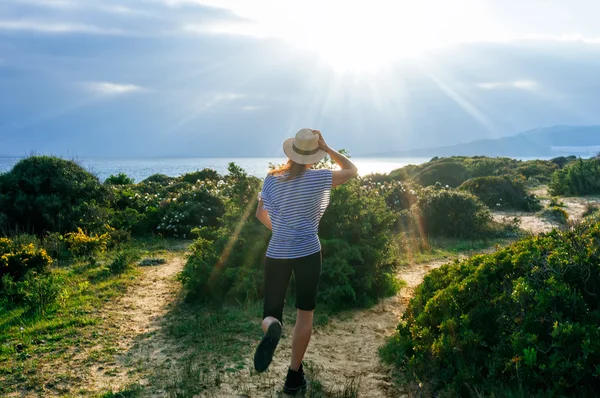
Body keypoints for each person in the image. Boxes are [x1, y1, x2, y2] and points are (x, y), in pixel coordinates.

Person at [253, 128, 358, 394]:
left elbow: (259, 212)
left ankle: (272, 327)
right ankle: (293, 377)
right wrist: (329, 147)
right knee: (305, 313)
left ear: (291, 152)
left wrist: (280, 232)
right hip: (309, 253)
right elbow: (351, 170)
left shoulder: (271, 179)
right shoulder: (320, 178)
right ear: (315, 154)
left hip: (277, 253)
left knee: (270, 311)